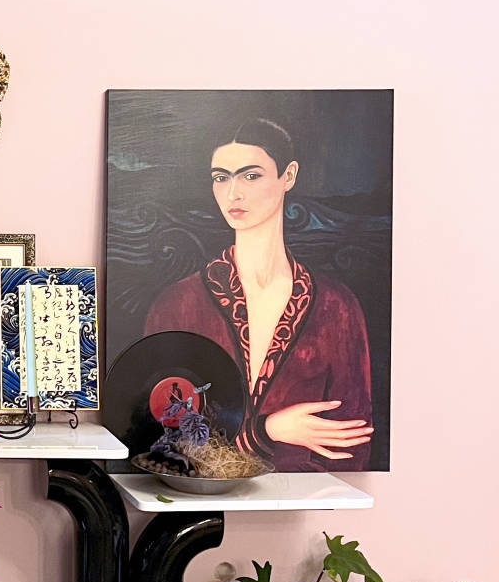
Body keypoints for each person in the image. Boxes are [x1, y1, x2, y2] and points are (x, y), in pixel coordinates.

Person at [143, 117, 374, 470]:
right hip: (193, 493)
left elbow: (352, 445)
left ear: (288, 176)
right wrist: (266, 431)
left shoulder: (336, 306)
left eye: (251, 176)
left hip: (304, 496)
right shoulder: (177, 305)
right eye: (221, 177)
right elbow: (160, 436)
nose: (233, 193)